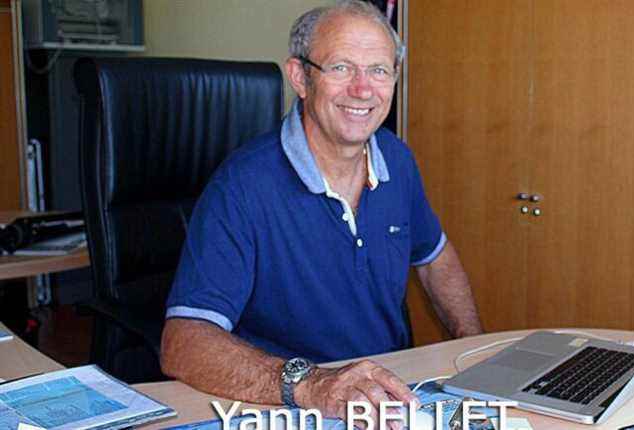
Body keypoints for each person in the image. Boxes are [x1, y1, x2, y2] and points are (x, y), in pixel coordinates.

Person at [160, 0, 482, 422]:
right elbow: (183, 342)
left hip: (390, 396)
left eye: (379, 70)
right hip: (288, 405)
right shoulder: (242, 184)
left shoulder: (396, 160)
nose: (363, 89)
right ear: (300, 77)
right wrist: (312, 385)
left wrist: (474, 351)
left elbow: (435, 258)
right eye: (341, 68)